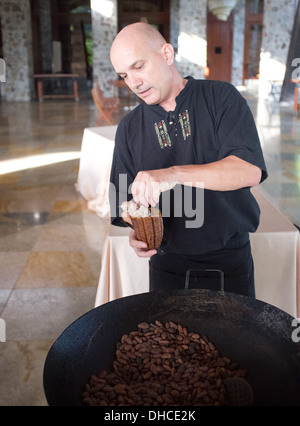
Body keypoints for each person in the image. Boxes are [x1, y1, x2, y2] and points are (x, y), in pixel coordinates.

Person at [109, 22, 267, 297]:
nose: (133, 83)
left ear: (166, 55)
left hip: (229, 260)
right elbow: (123, 201)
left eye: (138, 67)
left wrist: (172, 174)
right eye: (124, 75)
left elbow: (248, 169)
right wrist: (135, 228)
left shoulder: (221, 97)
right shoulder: (130, 127)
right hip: (166, 264)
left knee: (236, 339)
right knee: (169, 340)